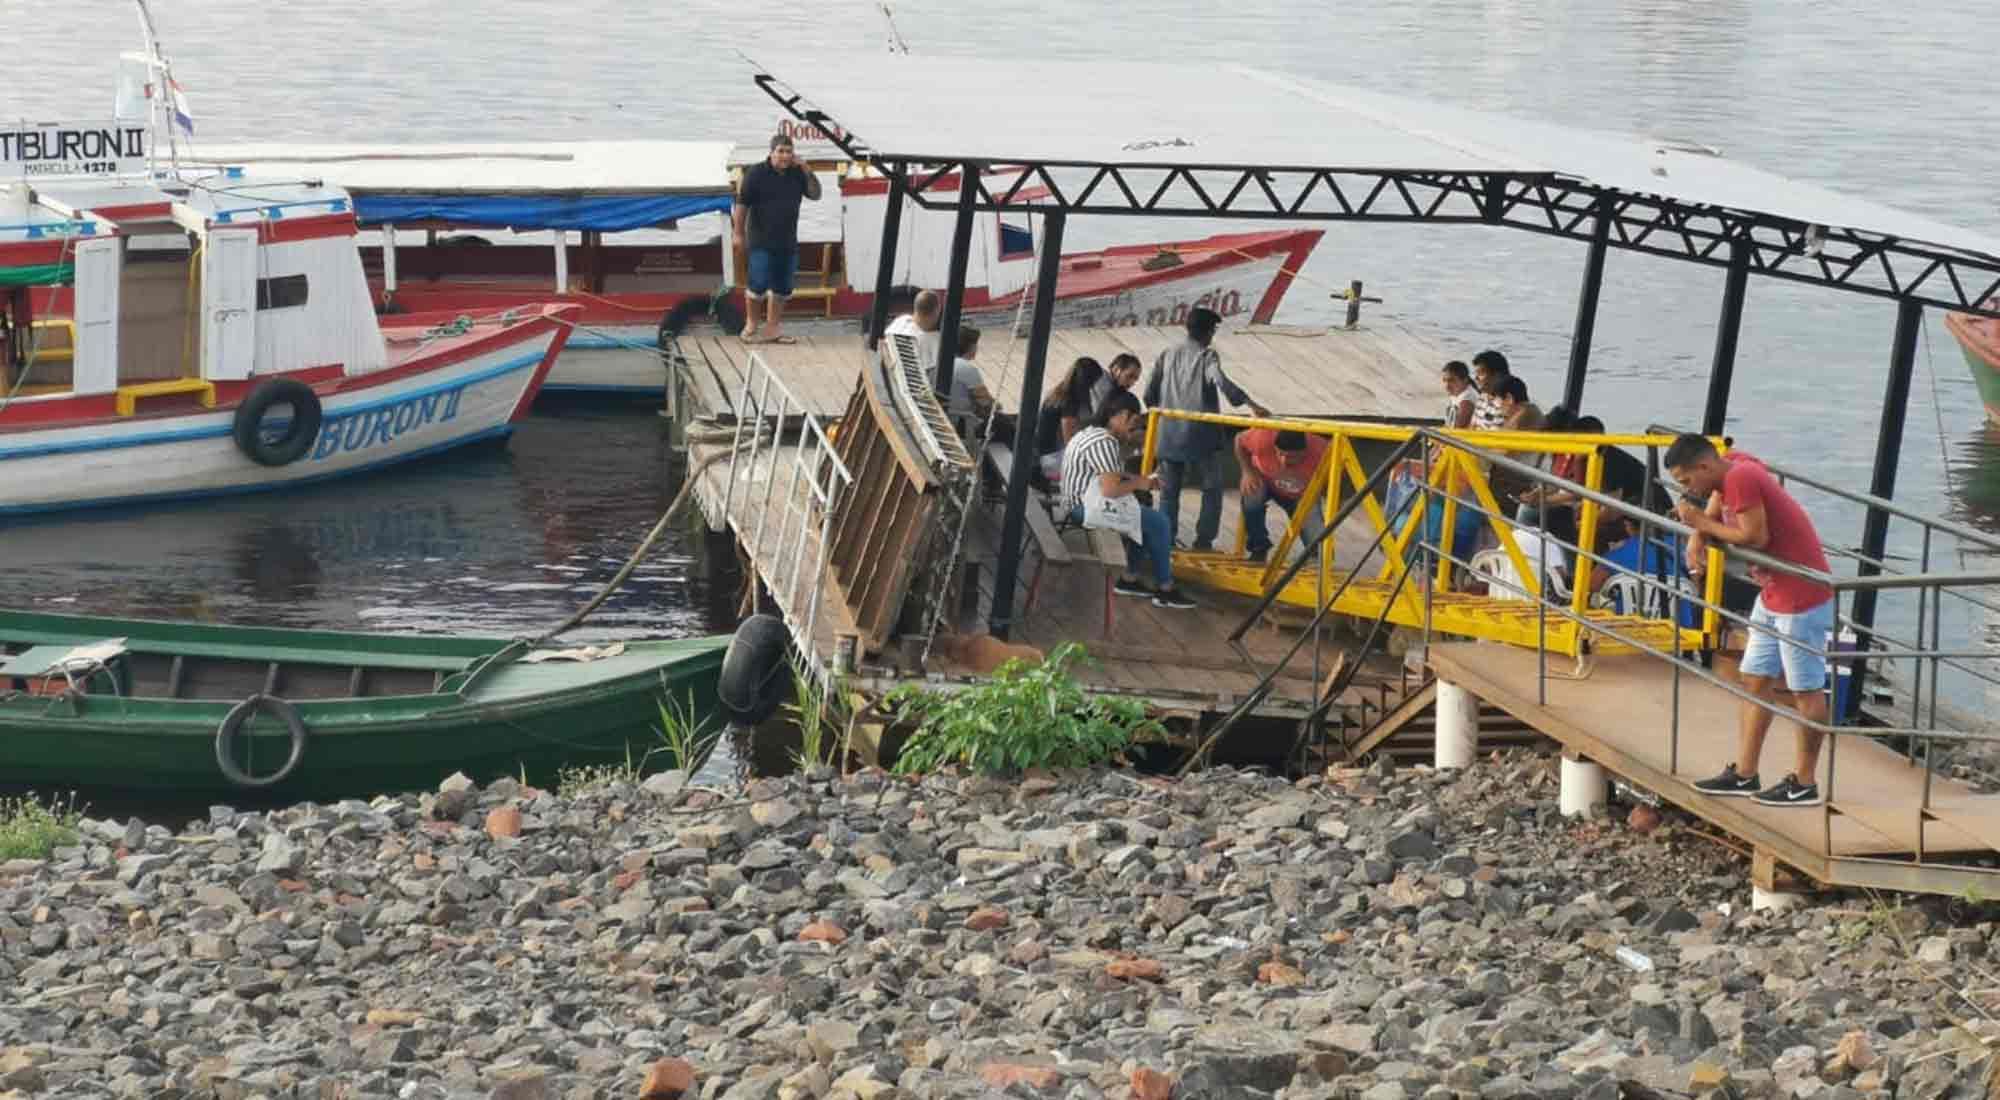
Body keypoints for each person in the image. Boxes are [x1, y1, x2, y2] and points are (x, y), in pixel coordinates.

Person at [1667, 434, 1835, 808]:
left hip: (1800, 596)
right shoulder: (1732, 465)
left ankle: (1805, 783)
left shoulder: (1741, 477)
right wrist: (1698, 533)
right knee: (1755, 678)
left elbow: (1754, 537)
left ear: (1704, 467)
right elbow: (1715, 501)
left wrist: (1700, 524)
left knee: (1805, 690)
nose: (1687, 490)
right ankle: (1745, 773)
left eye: (1686, 481)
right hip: (1772, 591)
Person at [1143, 307, 1269, 551]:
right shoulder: (1206, 356)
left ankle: (1166, 540)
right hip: (1201, 437)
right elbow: (1221, 381)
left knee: (1169, 493)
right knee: (1212, 489)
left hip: (1168, 436)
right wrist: (1250, 403)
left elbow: (1149, 393)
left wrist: (1160, 418)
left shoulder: (1167, 353)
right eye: (1213, 331)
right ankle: (1203, 541)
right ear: (1208, 332)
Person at [1059, 390, 1196, 609]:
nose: (1133, 430)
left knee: (1140, 516)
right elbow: (1111, 489)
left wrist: (1138, 479)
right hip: (1082, 508)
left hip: (1077, 501)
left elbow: (1109, 475)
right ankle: (1165, 589)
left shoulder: (1090, 433)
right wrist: (1140, 483)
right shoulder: (1104, 442)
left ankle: (1131, 580)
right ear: (1121, 415)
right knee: (1159, 523)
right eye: (1132, 423)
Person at [733, 134, 822, 345]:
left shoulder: (798, 173)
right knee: (758, 284)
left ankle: (772, 329)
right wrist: (738, 234)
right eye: (780, 151)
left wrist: (807, 169)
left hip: (788, 241)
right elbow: (742, 204)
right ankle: (751, 326)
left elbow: (816, 194)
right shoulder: (756, 173)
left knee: (783, 287)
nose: (785, 156)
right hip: (761, 240)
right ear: (771, 152)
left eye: (788, 151)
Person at [1235, 428, 1330, 563]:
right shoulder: (1263, 438)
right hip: (1265, 481)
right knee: (1251, 494)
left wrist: (1331, 496)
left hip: (1300, 493)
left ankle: (1316, 557)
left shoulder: (1323, 450)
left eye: (1292, 457)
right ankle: (1259, 548)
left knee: (1316, 532)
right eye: (1280, 454)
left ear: (1304, 453)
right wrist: (1247, 472)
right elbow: (1239, 440)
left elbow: (1341, 474)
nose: (1284, 461)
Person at [1035, 356, 1105, 482]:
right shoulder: (1069, 401)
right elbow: (1070, 443)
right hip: (1051, 461)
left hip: (1047, 455)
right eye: (1094, 382)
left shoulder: (1060, 391)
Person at [1470, 350, 1512, 431]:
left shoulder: (1508, 403)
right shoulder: (1482, 398)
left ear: (1497, 375)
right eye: (1476, 374)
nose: (1476, 378)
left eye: (1480, 373)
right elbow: (1472, 427)